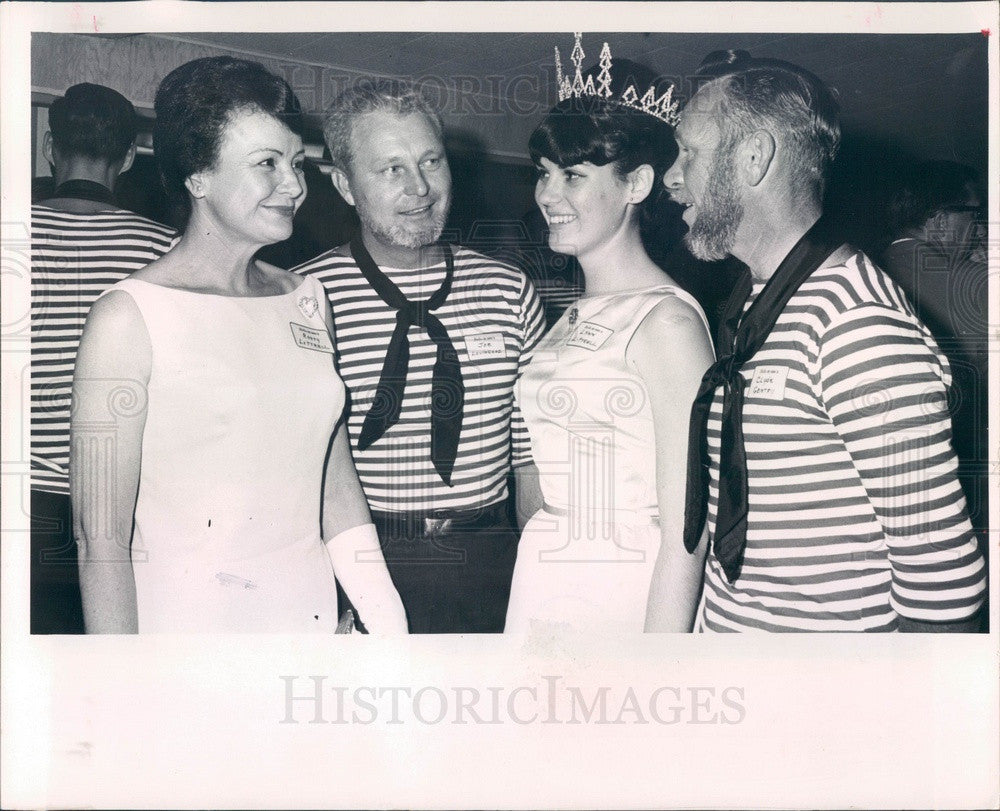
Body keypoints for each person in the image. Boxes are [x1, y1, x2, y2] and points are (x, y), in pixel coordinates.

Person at [71, 56, 406, 634]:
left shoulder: (308, 296)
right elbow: (99, 538)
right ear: (197, 176)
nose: (296, 185)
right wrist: (120, 686)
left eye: (297, 163)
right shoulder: (128, 318)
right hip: (190, 637)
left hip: (312, 623)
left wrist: (385, 614)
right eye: (267, 164)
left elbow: (331, 473)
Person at [657, 53, 986, 632]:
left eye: (689, 152)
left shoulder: (855, 321)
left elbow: (944, 587)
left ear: (753, 157)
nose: (670, 176)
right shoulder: (756, 301)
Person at [295, 78, 545, 634]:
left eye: (431, 161)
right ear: (344, 185)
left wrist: (542, 582)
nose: (421, 189)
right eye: (391, 170)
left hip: (490, 561)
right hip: (359, 563)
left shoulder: (508, 289)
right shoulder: (303, 297)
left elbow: (530, 457)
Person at [504, 36, 714, 633]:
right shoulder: (569, 316)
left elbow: (686, 527)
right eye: (543, 174)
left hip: (626, 584)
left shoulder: (667, 321)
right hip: (549, 573)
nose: (547, 195)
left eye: (572, 175)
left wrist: (659, 666)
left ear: (637, 184)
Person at [31, 82, 177, 634]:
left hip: (22, 504)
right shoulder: (164, 250)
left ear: (51, 147)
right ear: (131, 155)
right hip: (124, 504)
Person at [882, 160, 989, 546]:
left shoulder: (892, 262)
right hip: (954, 474)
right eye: (974, 214)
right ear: (940, 220)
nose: (980, 228)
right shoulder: (930, 272)